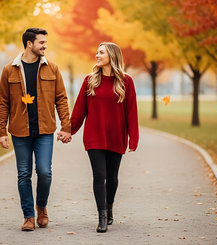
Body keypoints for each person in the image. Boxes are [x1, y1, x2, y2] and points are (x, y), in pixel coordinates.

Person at [0, 27, 72, 231]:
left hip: (45, 130)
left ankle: (42, 207)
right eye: (41, 42)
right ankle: (28, 216)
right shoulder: (9, 70)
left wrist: (66, 126)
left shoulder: (52, 68)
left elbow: (61, 99)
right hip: (20, 131)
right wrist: (2, 132)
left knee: (44, 172)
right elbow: (2, 102)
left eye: (45, 42)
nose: (45, 46)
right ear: (29, 44)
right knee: (24, 174)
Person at [70, 42, 139, 233]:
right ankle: (101, 216)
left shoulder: (126, 81)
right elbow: (79, 111)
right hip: (94, 136)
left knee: (112, 177)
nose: (97, 55)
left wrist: (133, 139)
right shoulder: (89, 80)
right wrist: (68, 130)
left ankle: (109, 207)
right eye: (97, 52)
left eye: (101, 52)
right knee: (99, 175)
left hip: (116, 136)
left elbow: (132, 112)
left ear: (112, 56)